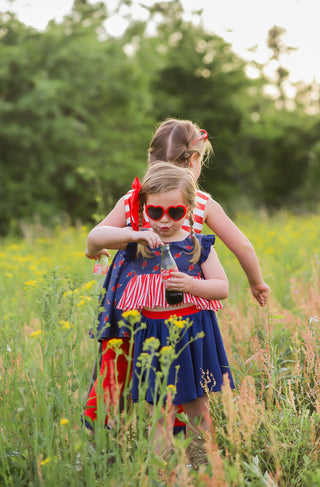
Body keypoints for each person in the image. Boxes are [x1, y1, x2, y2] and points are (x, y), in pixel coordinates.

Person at [83, 118, 270, 431]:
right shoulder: (201, 203)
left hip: (129, 301)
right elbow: (243, 246)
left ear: (150, 158)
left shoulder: (135, 200)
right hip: (180, 301)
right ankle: (177, 433)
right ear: (195, 159)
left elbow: (95, 238)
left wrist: (105, 247)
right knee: (179, 366)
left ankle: (102, 430)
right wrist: (256, 282)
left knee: (117, 366)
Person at [86, 162, 234, 455]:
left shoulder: (197, 245)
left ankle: (202, 463)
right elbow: (93, 239)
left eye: (175, 212)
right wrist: (133, 234)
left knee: (197, 405)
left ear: (189, 209)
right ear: (143, 208)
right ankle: (161, 471)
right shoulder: (138, 243)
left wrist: (192, 286)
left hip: (194, 331)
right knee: (160, 409)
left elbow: (222, 287)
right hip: (154, 335)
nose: (164, 221)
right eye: (155, 212)